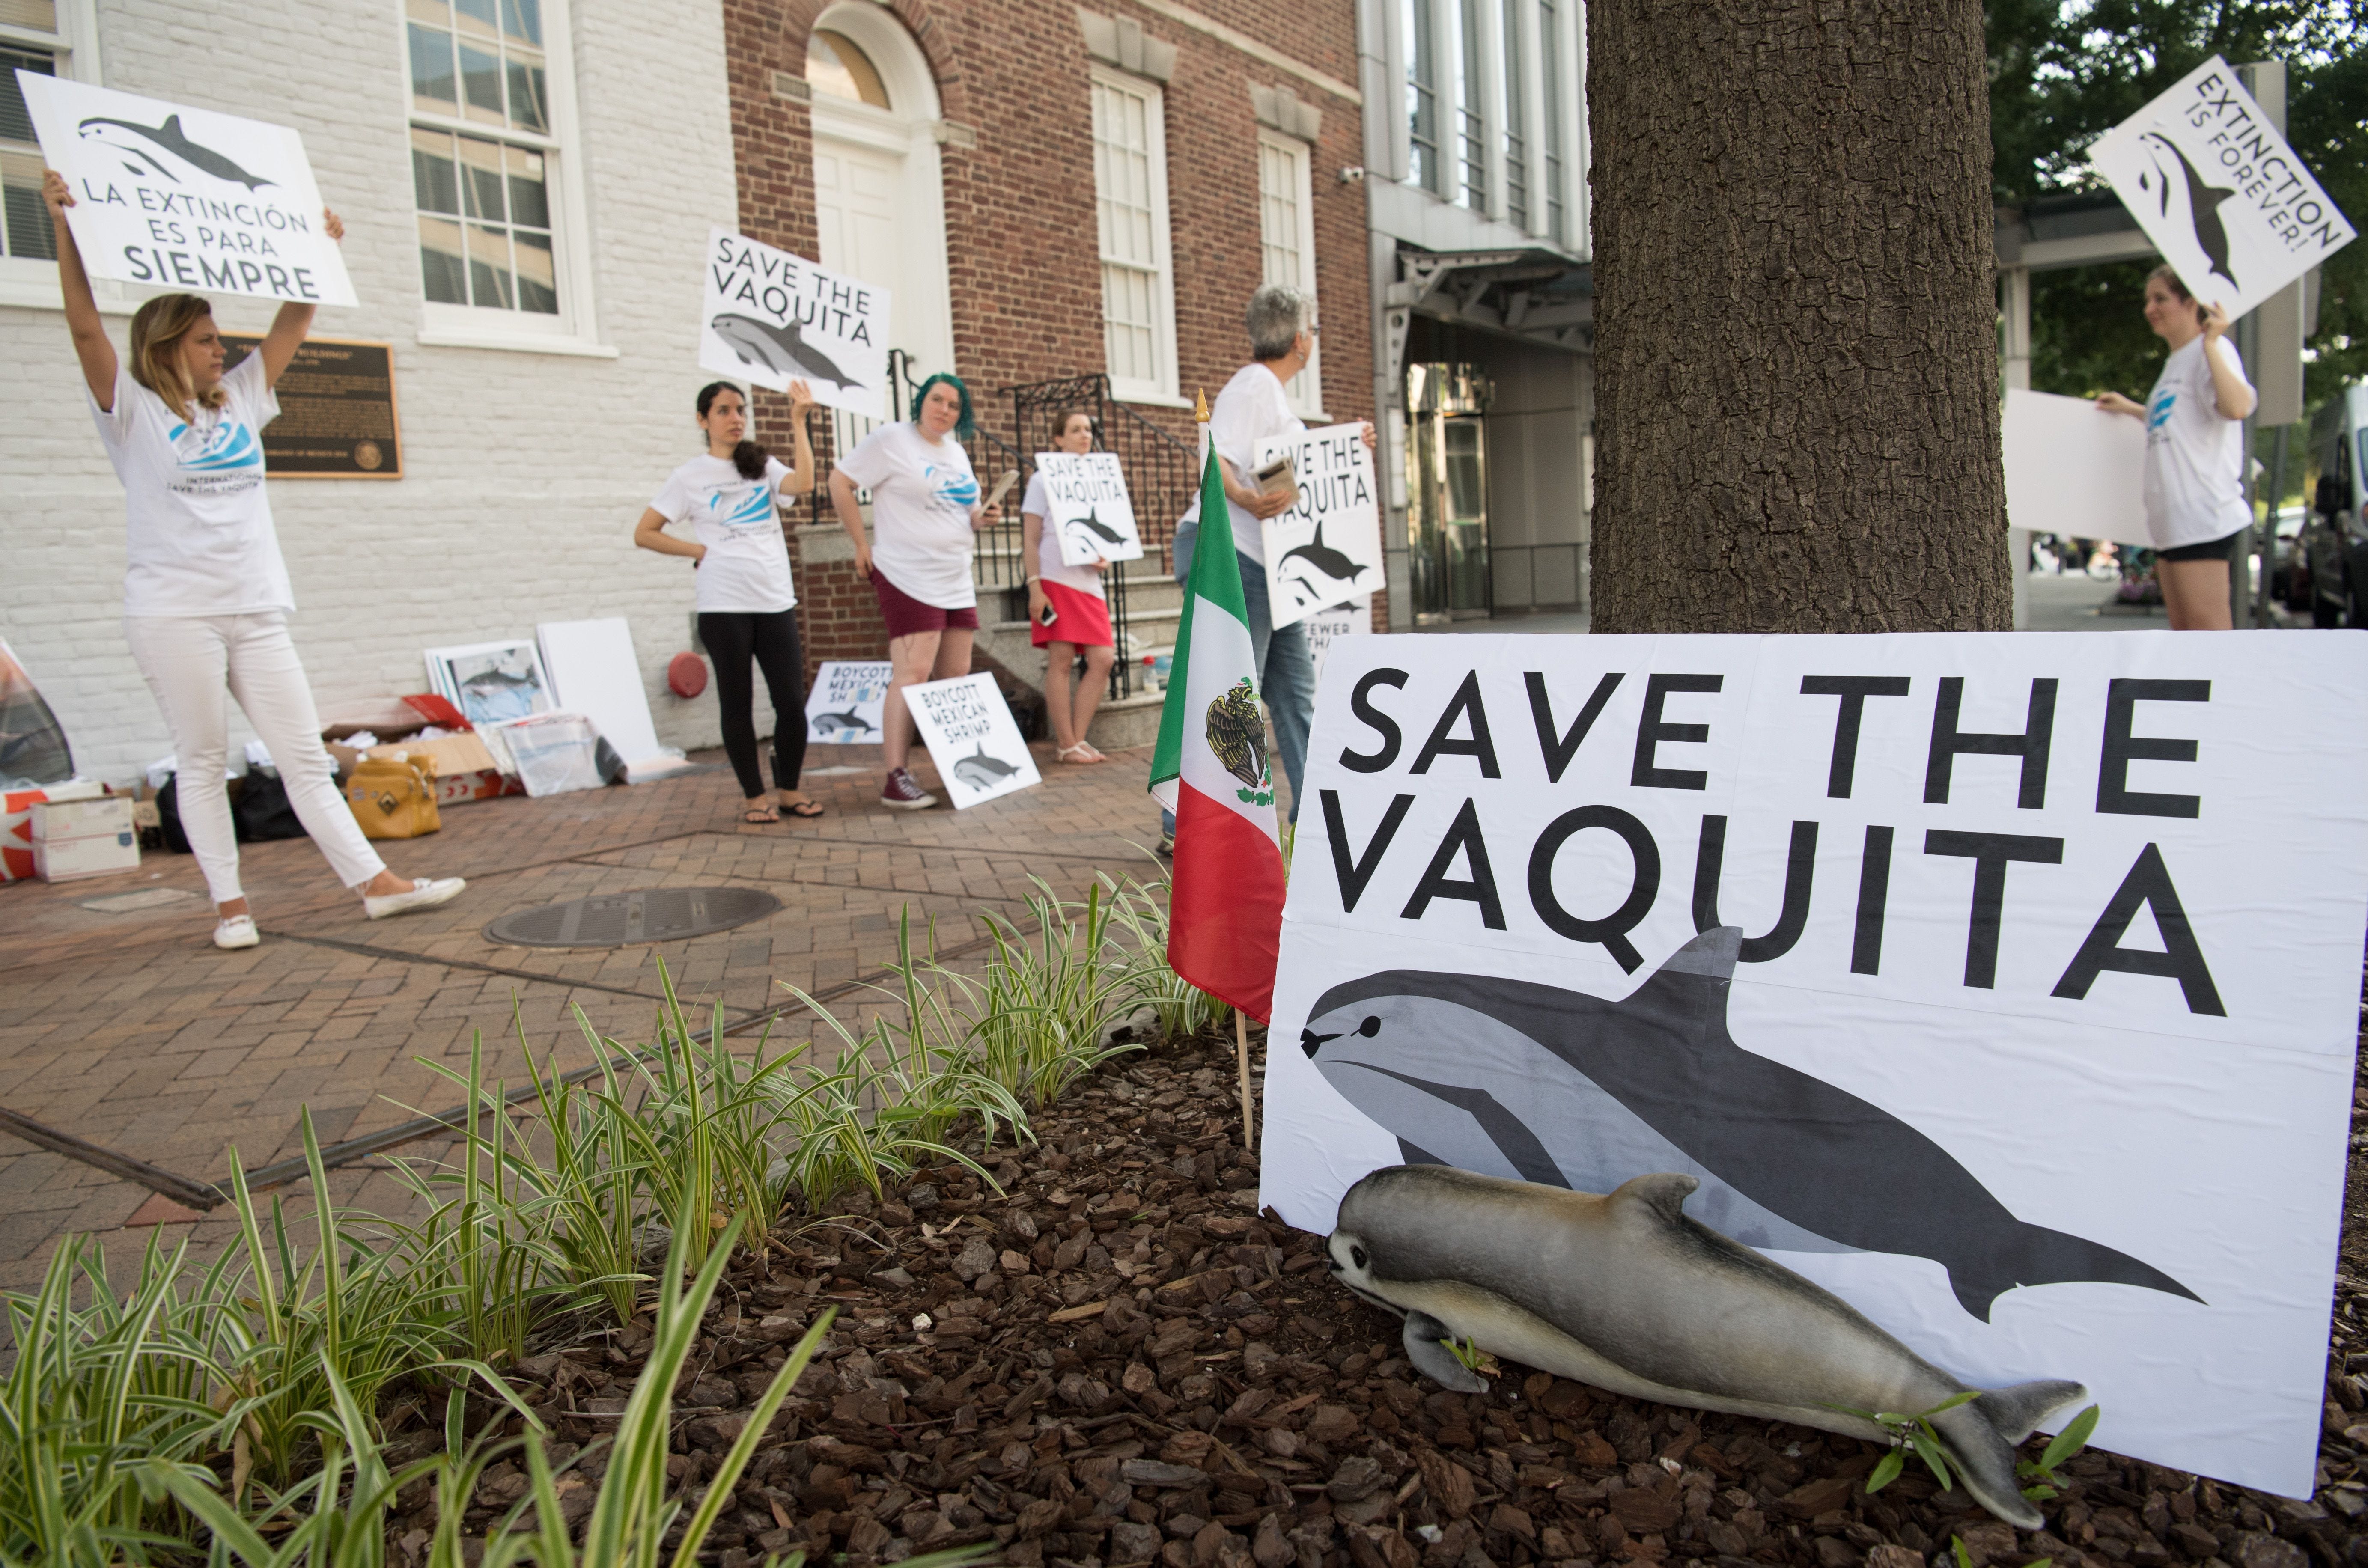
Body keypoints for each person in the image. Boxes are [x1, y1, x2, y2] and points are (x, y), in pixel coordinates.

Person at [41, 170, 465, 951]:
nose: (223, 349)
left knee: (304, 755)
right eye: (207, 339)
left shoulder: (239, 397)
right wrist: (63, 225)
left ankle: (378, 886)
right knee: (200, 759)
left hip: (256, 606)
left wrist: (314, 251)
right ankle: (231, 908)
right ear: (169, 346)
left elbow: (292, 326)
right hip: (175, 612)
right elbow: (82, 328)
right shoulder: (130, 411)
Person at [1158, 284, 1375, 853]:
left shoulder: (1271, 400)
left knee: (1294, 690)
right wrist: (1247, 500)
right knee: (1232, 690)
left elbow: (1279, 482)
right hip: (1236, 557)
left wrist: (1348, 447)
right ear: (1300, 339)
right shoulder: (1254, 385)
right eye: (1315, 331)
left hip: (1267, 564)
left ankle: (1312, 811)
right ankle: (1190, 823)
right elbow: (1217, 459)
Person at [634, 379, 822, 823]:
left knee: (791, 703)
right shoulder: (689, 477)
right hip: (723, 605)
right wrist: (698, 551)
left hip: (774, 600)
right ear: (703, 420)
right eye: (723, 411)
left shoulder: (761, 465)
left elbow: (805, 482)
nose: (735, 418)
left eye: (740, 409)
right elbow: (645, 532)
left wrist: (799, 422)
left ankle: (790, 791)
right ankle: (754, 798)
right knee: (737, 703)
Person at [828, 373, 1003, 809]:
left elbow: (962, 512)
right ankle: (895, 776)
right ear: (921, 402)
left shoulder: (957, 453)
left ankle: (958, 766)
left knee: (956, 674)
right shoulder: (891, 440)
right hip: (907, 574)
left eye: (954, 405)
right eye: (937, 400)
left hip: (955, 577)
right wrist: (860, 543)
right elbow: (840, 482)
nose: (944, 410)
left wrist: (982, 518)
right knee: (912, 673)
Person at [2095, 265, 2257, 630]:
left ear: (2190, 303)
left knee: (2207, 634)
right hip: (2170, 522)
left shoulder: (2209, 351)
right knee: (2184, 633)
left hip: (2201, 516)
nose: (2149, 308)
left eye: (2160, 298)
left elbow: (2236, 407)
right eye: (2147, 300)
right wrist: (2131, 409)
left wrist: (2213, 342)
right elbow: (2175, 419)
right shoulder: (2176, 361)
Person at [1023, 408, 1118, 764]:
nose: (1085, 435)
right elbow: (1030, 539)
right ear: (1058, 438)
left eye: (1089, 429)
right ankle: (1066, 743)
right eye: (1075, 430)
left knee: (1103, 659)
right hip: (1055, 578)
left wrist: (1105, 556)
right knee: (1061, 660)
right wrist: (1035, 587)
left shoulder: (1100, 478)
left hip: (1089, 582)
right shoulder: (1040, 480)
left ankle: (1077, 739)